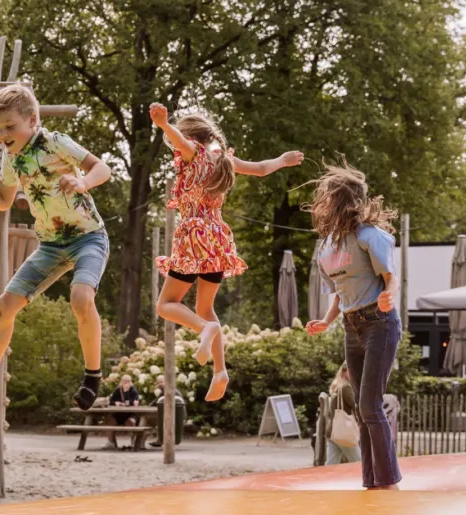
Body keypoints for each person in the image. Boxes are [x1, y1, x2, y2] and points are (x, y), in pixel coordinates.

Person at [0, 83, 113, 414]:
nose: (3, 134)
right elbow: (3, 200)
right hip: (50, 245)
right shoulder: (11, 158)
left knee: (80, 298)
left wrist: (83, 182)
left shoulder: (55, 142)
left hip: (88, 237)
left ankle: (92, 376)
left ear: (32, 120)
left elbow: (101, 168)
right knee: (5, 305)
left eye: (9, 126)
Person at [149, 103, 304, 402]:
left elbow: (180, 143)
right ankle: (220, 371)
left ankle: (203, 328)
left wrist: (164, 125)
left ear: (193, 138)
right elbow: (260, 169)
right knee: (206, 307)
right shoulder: (224, 160)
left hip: (194, 237)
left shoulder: (193, 152)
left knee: (166, 304)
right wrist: (283, 161)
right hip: (218, 239)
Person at [305, 163, 401, 490]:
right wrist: (326, 321)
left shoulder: (369, 236)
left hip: (380, 323)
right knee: (362, 410)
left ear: (343, 201)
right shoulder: (327, 247)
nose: (323, 203)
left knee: (370, 404)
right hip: (351, 326)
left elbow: (391, 278)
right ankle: (371, 481)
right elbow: (338, 294)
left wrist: (388, 296)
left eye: (329, 198)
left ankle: (388, 481)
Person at [325, 363, 361, 465]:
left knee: (331, 464)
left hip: (334, 431)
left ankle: (325, 480)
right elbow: (356, 405)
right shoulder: (345, 388)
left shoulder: (336, 386)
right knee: (359, 462)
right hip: (344, 432)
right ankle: (365, 481)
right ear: (345, 372)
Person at [106, 374, 141, 448]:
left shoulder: (133, 391)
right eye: (125, 381)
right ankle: (111, 442)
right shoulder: (118, 390)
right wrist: (116, 403)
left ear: (131, 382)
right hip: (119, 414)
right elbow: (111, 401)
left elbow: (134, 402)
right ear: (121, 382)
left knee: (131, 421)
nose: (126, 383)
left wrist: (126, 392)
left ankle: (133, 442)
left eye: (128, 381)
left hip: (131, 414)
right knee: (109, 420)